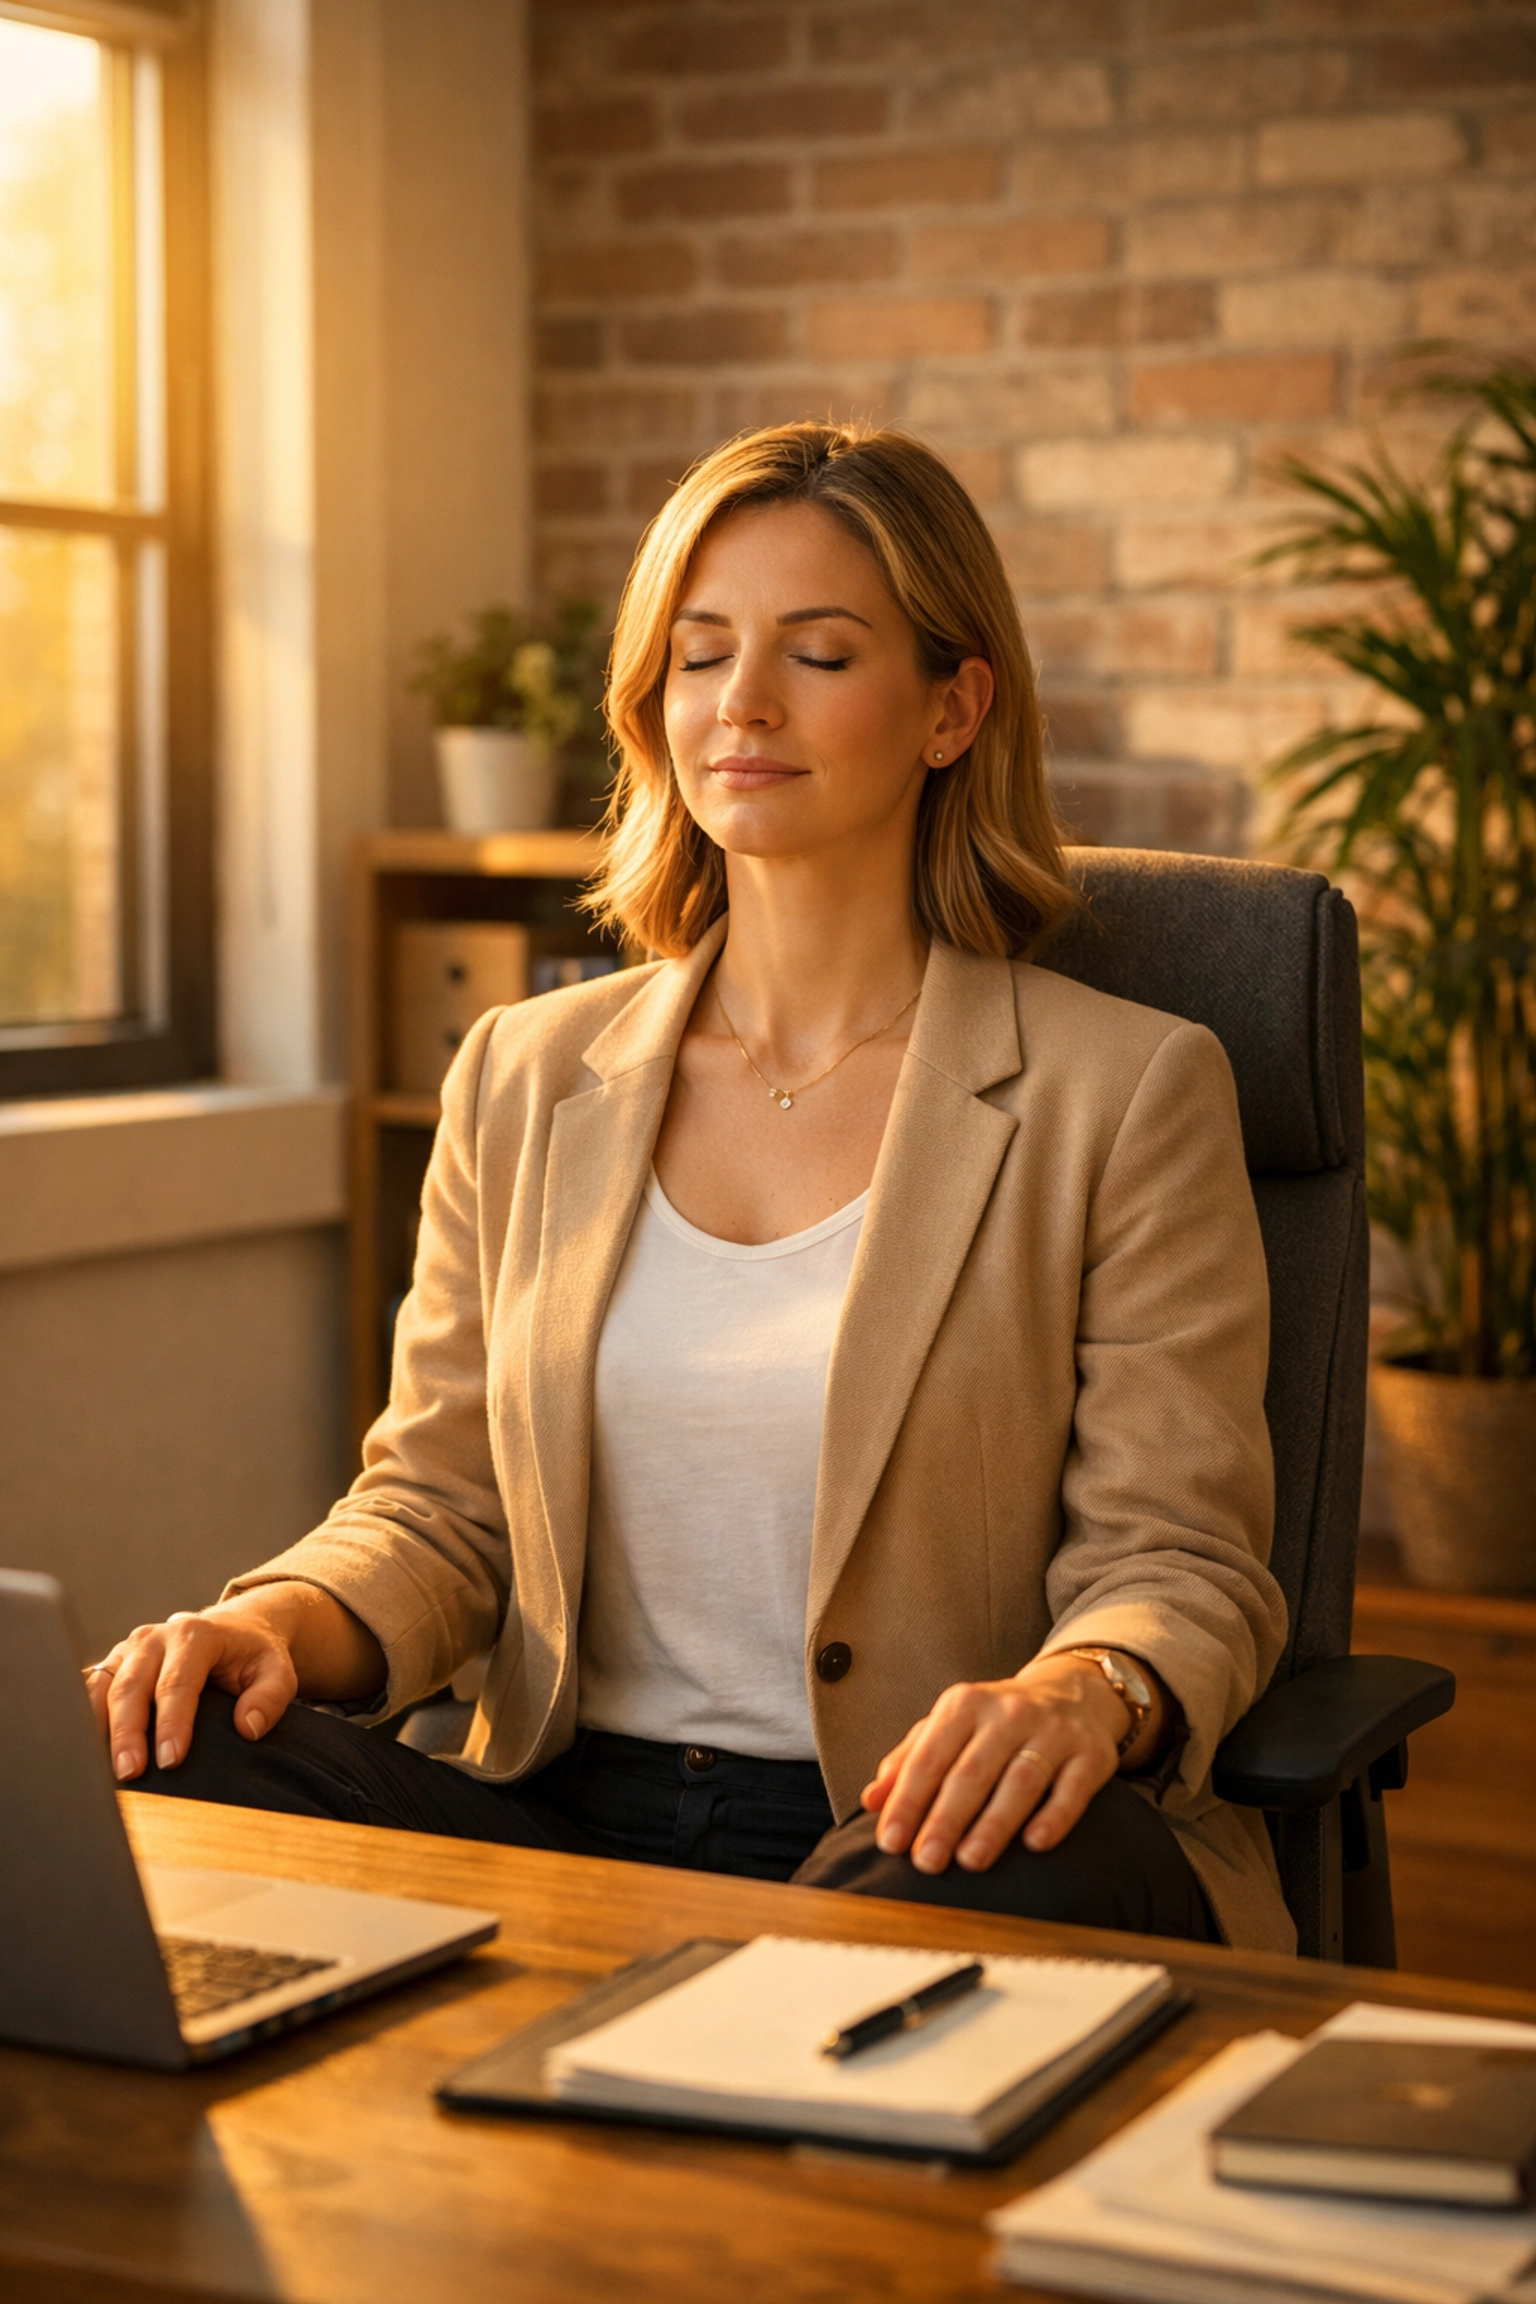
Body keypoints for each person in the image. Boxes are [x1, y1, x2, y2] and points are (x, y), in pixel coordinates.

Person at [89, 423, 1291, 1951]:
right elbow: (440, 1509)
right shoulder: (524, 1076)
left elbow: (1179, 1559)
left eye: (823, 654)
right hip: (562, 1812)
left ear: (953, 706)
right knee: (167, 1746)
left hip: (920, 1826)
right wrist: (267, 1624)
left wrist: (1078, 1693)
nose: (746, 704)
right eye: (701, 653)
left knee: (916, 1895)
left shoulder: (1124, 1090)